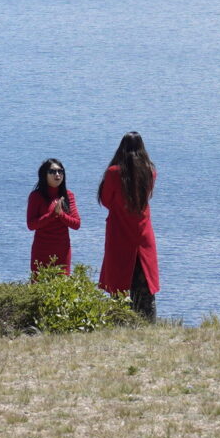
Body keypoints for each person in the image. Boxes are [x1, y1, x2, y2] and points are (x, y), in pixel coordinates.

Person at [95, 131, 160, 320]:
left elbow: (106, 200)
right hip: (143, 232)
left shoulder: (114, 172)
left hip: (119, 231)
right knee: (145, 285)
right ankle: (148, 323)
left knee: (119, 284)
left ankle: (120, 322)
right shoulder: (149, 171)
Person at [25, 158, 80, 275]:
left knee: (62, 289)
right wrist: (52, 215)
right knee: (39, 289)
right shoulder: (36, 196)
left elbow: (76, 224)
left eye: (61, 171)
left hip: (62, 252)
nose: (57, 174)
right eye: (52, 171)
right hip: (41, 251)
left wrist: (61, 215)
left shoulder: (68, 195)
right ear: (44, 175)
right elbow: (31, 225)